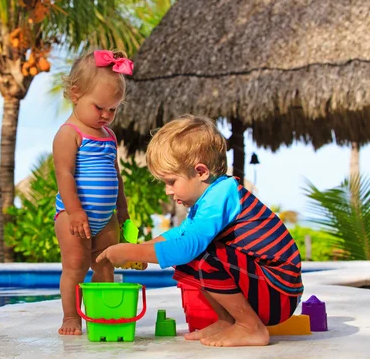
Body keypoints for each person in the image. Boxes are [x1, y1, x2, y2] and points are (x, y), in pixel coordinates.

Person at [96, 115, 304, 347]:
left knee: (196, 252)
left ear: (201, 171)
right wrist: (139, 249)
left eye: (171, 181)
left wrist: (132, 253)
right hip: (267, 287)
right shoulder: (209, 199)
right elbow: (179, 234)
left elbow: (187, 246)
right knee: (192, 251)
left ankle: (250, 327)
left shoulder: (221, 195)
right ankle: (227, 321)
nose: (167, 191)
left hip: (279, 291)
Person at [53, 50, 133, 336]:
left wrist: (122, 211)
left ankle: (102, 314)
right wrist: (75, 211)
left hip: (106, 217)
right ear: (75, 94)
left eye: (113, 109)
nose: (106, 115)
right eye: (100, 107)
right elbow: (65, 175)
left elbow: (116, 175)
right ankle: (71, 317)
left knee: (106, 264)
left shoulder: (109, 136)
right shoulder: (69, 133)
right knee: (75, 265)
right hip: (73, 216)